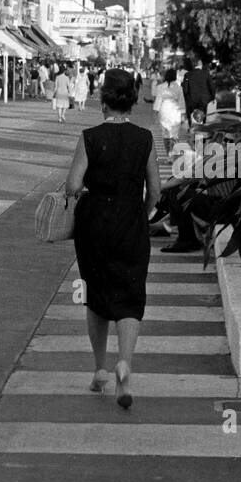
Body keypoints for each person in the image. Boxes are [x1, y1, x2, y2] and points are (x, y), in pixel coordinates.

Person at [64, 68, 161, 410]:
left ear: (103, 99)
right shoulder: (145, 138)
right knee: (130, 294)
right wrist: (143, 212)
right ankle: (125, 366)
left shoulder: (89, 137)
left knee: (97, 294)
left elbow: (73, 186)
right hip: (131, 222)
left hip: (95, 225)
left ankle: (99, 369)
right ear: (132, 101)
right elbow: (156, 190)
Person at [153, 67, 186, 155]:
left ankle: (169, 154)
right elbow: (181, 102)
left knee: (165, 135)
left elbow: (158, 101)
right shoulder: (179, 88)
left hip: (164, 112)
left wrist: (155, 113)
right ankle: (174, 153)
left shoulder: (160, 87)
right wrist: (183, 115)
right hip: (175, 112)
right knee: (174, 135)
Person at [182, 57, 215, 125]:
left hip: (192, 101)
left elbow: (185, 90)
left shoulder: (187, 75)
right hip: (204, 100)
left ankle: (192, 128)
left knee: (192, 117)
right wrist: (212, 97)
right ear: (200, 64)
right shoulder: (206, 73)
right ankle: (202, 129)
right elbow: (212, 87)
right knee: (202, 117)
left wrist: (187, 100)